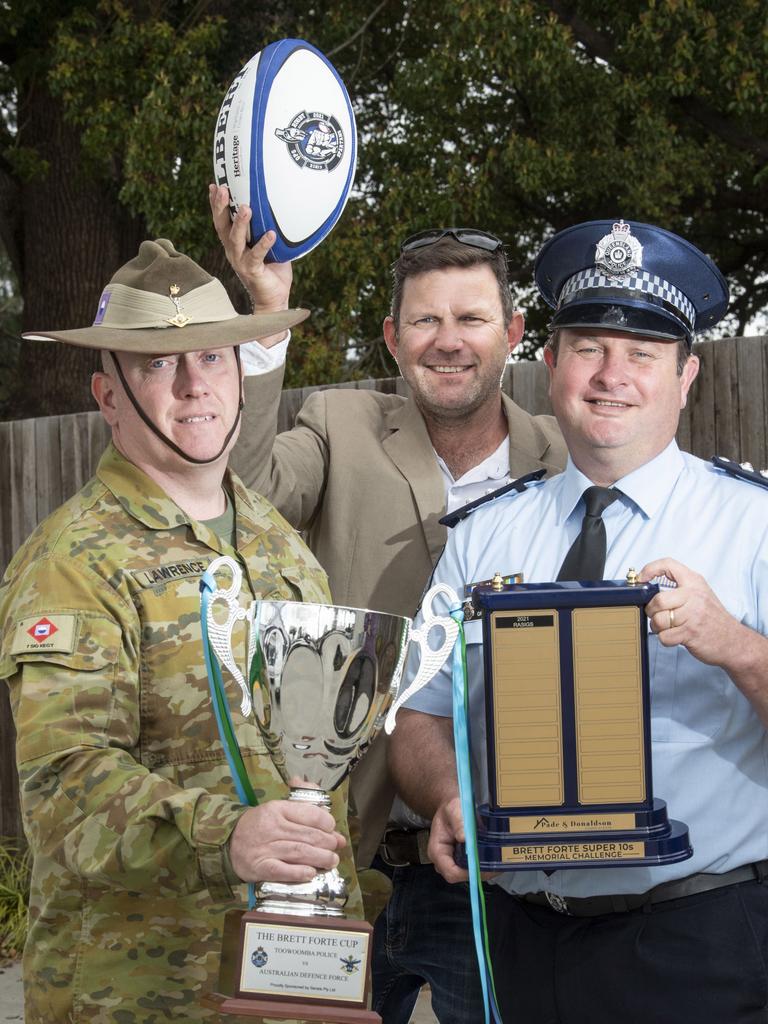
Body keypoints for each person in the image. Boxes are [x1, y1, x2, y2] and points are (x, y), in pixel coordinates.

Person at [390, 218, 768, 1024]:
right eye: (590, 346)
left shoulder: (755, 526)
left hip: (698, 945)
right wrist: (448, 795)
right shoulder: (486, 534)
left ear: (687, 375)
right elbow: (418, 710)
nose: (612, 374)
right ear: (552, 364)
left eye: (642, 354)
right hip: (520, 941)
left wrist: (733, 645)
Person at [210, 186, 567, 1023]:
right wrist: (267, 318)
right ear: (393, 339)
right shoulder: (339, 422)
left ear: (513, 335)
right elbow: (244, 494)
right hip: (340, 848)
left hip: (491, 867)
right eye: (424, 321)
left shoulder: (563, 461)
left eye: (473, 319)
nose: (448, 341)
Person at [0, 238, 361, 1023]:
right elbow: (64, 787)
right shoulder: (72, 562)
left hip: (298, 986)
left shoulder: (276, 539)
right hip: (145, 995)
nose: (195, 385)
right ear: (108, 396)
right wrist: (226, 837)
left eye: (213, 358)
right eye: (159, 365)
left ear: (241, 371)